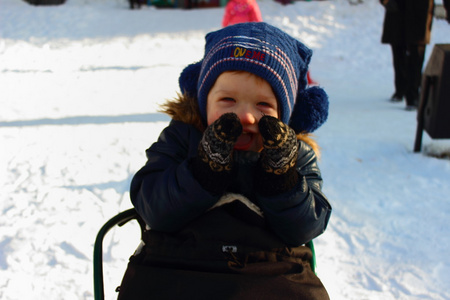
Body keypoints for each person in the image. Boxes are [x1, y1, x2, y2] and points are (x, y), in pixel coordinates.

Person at [118, 22, 331, 299]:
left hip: (270, 271)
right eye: (228, 99)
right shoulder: (183, 138)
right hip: (178, 266)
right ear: (204, 102)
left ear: (284, 114)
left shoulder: (296, 155)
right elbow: (152, 207)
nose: (246, 116)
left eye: (263, 105)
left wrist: (282, 179)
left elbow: (307, 226)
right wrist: (203, 171)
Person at [380, 0, 435, 110]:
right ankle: (401, 88)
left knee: (416, 49)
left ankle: (413, 94)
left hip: (419, 7)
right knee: (398, 47)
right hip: (397, 5)